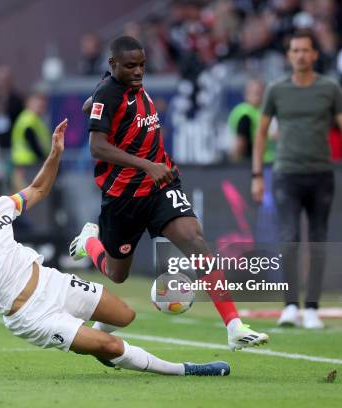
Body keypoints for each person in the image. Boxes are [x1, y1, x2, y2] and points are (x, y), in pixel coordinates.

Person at [0, 121, 230, 377]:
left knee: (125, 315)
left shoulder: (0, 207)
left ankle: (94, 340)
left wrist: (55, 153)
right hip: (31, 315)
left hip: (52, 282)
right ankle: (185, 370)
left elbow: (39, 188)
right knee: (111, 347)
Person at [72, 36, 268, 352]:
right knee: (116, 274)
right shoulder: (109, 93)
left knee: (195, 241)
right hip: (124, 198)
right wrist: (145, 164)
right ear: (113, 65)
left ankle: (234, 326)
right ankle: (88, 242)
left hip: (161, 185)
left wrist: (153, 167)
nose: (138, 72)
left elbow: (89, 105)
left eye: (142, 65)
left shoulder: (120, 87)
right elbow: (97, 146)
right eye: (130, 66)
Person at [251, 31, 342, 329]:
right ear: (289, 56)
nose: (300, 55)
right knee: (288, 240)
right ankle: (290, 305)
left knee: (318, 241)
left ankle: (311, 307)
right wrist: (257, 175)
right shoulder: (276, 90)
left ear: (314, 55)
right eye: (295, 50)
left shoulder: (330, 88)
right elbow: (261, 132)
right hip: (286, 173)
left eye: (305, 50)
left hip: (321, 174)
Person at [228, 79, 275, 163]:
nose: (256, 95)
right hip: (252, 164)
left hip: (269, 163)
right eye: (253, 92)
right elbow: (240, 142)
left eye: (259, 92)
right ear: (246, 94)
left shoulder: (265, 111)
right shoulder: (245, 114)